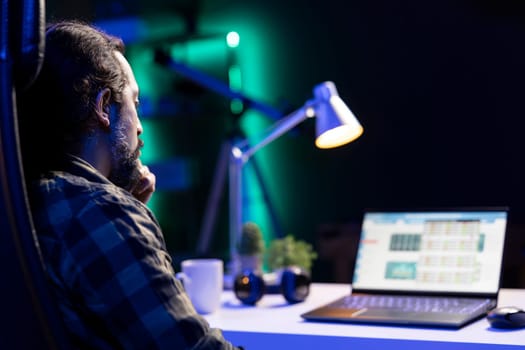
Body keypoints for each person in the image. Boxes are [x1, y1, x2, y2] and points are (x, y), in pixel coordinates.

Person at [18, 20, 242, 349]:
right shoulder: (102, 215)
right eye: (133, 104)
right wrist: (128, 215)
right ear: (104, 106)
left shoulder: (28, 200)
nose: (139, 128)